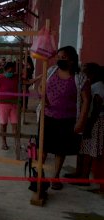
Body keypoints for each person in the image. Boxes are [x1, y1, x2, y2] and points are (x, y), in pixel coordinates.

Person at [41, 46, 90, 190]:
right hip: (47, 116)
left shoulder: (80, 78)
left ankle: (55, 176)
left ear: (72, 60)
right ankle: (39, 175)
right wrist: (43, 97)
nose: (60, 60)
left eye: (64, 57)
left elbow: (86, 100)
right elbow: (41, 87)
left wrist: (81, 121)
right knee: (43, 147)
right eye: (58, 57)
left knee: (60, 150)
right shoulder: (51, 71)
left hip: (66, 119)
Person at [70, 63, 104, 190]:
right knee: (82, 148)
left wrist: (89, 126)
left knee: (88, 151)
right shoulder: (91, 85)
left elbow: (96, 108)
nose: (82, 75)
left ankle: (84, 177)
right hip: (88, 120)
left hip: (94, 122)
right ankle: (78, 173)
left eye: (84, 72)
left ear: (92, 74)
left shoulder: (98, 87)